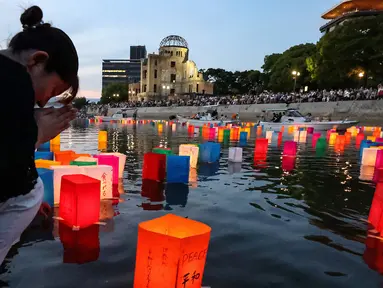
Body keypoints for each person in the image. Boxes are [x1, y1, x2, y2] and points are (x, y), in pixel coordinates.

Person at [0, 6, 78, 265]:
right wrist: (36, 135)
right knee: (30, 194)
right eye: (53, 88)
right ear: (37, 60)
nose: (44, 102)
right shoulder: (16, 83)